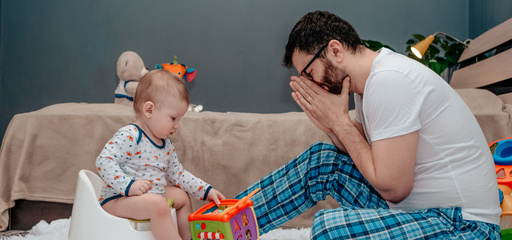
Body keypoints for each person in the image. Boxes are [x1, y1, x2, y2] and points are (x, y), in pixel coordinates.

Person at [236, 11, 501, 239]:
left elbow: (394, 188)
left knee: (330, 228)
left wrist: (340, 122)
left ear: (335, 50)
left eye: (309, 73)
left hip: (463, 226)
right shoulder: (370, 86)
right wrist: (331, 126)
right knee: (321, 161)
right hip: (422, 214)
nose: (311, 83)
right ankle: (218, 224)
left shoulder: (390, 81)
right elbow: (362, 153)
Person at [96, 69, 225, 240]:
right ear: (149, 110)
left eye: (179, 120)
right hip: (118, 199)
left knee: (181, 196)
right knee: (157, 204)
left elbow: (178, 175)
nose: (177, 125)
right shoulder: (130, 135)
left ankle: (187, 237)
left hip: (149, 195)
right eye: (173, 118)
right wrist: (129, 185)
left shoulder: (166, 144)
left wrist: (205, 190)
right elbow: (103, 161)